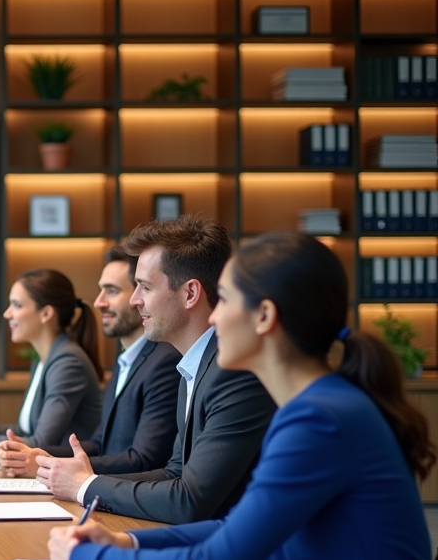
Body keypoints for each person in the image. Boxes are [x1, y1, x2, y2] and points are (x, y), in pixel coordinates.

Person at [49, 232, 438, 560]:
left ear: (265, 318)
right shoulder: (313, 407)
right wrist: (127, 544)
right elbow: (235, 528)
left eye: (226, 300)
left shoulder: (319, 419)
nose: (212, 316)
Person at [35, 216, 276, 524]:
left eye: (145, 287)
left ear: (190, 293)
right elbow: (174, 472)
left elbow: (189, 502)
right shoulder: (195, 365)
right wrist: (82, 479)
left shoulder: (234, 373)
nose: (135, 300)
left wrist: (85, 485)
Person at [0, 247, 180, 475]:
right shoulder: (126, 361)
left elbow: (144, 460)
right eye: (100, 291)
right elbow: (100, 444)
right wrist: (36, 454)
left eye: (111, 291)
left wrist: (49, 464)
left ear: (139, 296)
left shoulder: (164, 362)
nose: (99, 302)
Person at [0, 268, 102, 451]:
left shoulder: (68, 363)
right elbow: (23, 432)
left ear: (46, 314)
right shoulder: (44, 360)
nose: (7, 314)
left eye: (16, 305)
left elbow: (39, 444)